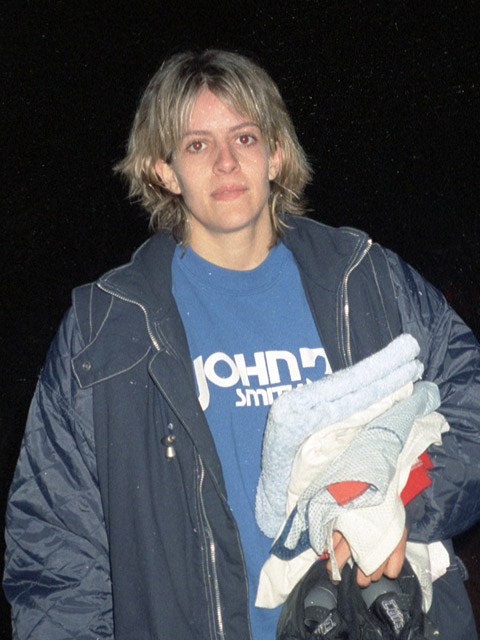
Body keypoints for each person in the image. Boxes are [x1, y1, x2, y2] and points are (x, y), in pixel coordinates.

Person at [3, 49, 480, 640]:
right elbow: (56, 552)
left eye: (245, 138)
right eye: (197, 144)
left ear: (275, 154)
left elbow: (471, 400)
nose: (226, 162)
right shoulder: (106, 326)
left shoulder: (364, 278)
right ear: (164, 170)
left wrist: (396, 512)